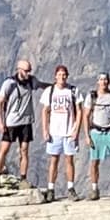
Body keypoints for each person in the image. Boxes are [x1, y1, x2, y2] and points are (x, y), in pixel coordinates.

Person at [37, 62, 83, 197]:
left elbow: (79, 111)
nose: (62, 77)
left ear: (67, 76)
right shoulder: (49, 91)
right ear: (55, 76)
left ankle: (71, 189)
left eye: (64, 75)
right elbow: (44, 111)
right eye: (59, 75)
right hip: (54, 132)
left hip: (69, 132)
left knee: (69, 160)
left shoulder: (73, 91)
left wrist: (76, 130)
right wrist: (45, 130)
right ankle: (51, 189)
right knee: (54, 160)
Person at [0, 62, 38, 183]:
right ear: (19, 70)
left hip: (26, 122)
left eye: (29, 71)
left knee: (24, 150)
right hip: (11, 122)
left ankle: (23, 178)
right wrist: (0, 122)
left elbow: (41, 85)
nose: (28, 73)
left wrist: (56, 85)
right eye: (25, 71)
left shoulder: (31, 81)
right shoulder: (9, 84)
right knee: (4, 149)